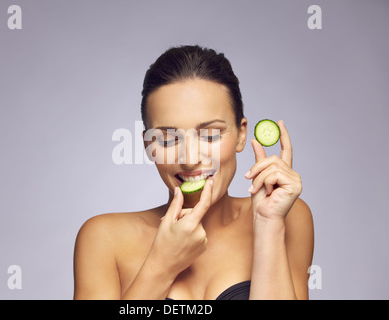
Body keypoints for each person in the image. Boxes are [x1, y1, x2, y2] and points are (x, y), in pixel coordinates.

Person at [73, 45, 314, 300]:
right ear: (148, 145)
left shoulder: (289, 218)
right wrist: (161, 266)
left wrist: (268, 225)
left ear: (241, 134)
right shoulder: (103, 240)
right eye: (167, 139)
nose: (189, 159)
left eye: (210, 135)